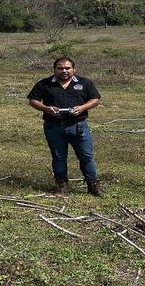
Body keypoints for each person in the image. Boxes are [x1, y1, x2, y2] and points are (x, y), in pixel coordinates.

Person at [27, 56, 102, 196]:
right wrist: (46, 108)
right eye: (60, 68)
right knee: (59, 157)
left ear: (74, 69)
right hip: (54, 127)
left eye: (67, 68)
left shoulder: (84, 83)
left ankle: (93, 186)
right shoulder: (44, 84)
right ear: (55, 69)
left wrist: (82, 108)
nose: (64, 71)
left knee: (86, 156)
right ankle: (62, 186)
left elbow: (95, 99)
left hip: (78, 126)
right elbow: (33, 100)